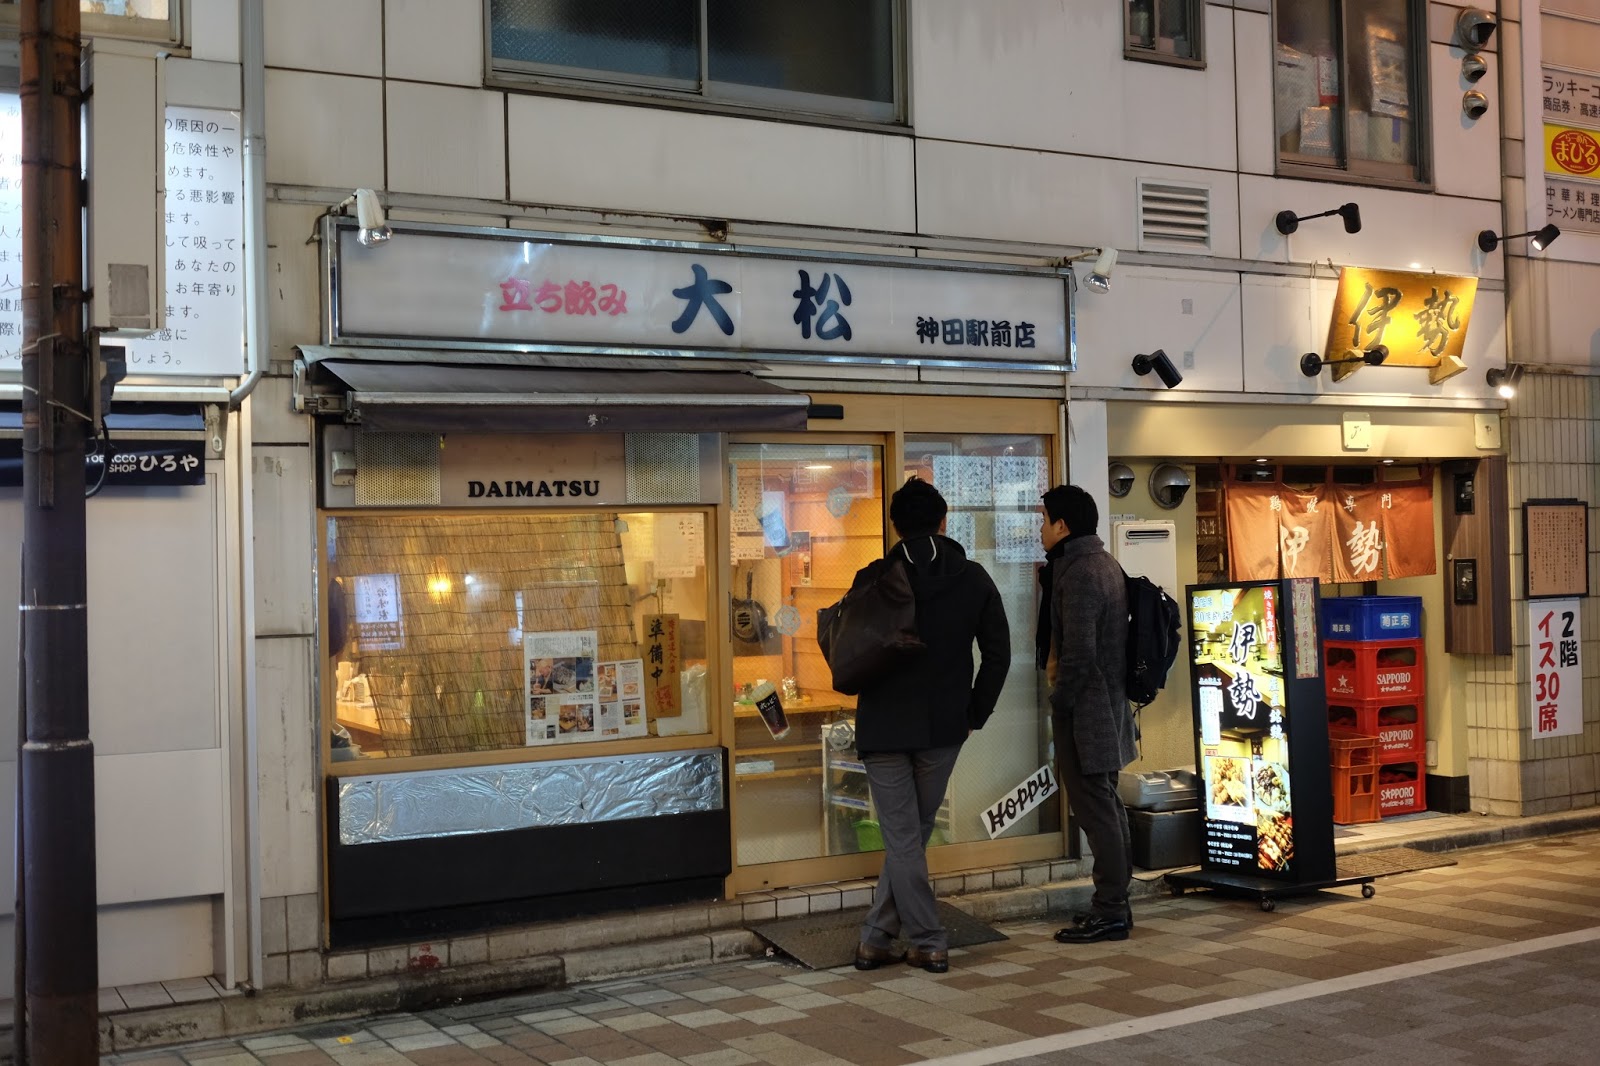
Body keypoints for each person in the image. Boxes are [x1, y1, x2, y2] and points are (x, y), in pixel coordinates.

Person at [853, 476, 1011, 974]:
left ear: (894, 526)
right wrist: (973, 714)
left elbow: (850, 648)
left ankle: (897, 938)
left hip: (882, 726)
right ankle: (906, 938)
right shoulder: (974, 578)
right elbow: (999, 654)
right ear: (944, 522)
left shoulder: (874, 576)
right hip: (944, 726)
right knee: (911, 834)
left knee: (904, 836)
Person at [1042, 484, 1137, 944]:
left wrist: (1059, 700)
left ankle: (1111, 910)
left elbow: (1078, 652)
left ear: (1063, 526)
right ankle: (1115, 904)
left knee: (1097, 810)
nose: (1040, 529)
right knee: (1107, 806)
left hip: (1087, 711)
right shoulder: (1103, 563)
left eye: (1044, 520)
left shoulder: (1080, 572)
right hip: (1107, 705)